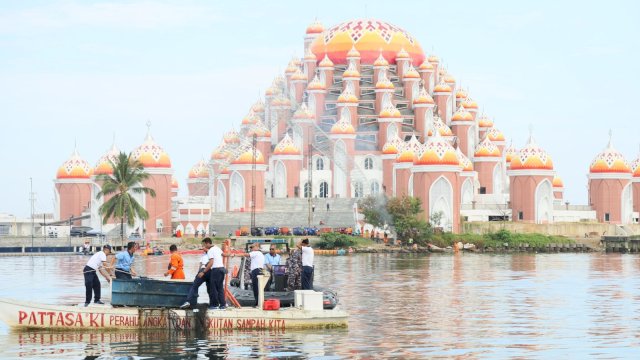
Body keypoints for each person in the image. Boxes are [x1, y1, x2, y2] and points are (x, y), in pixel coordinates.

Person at [180, 239, 213, 309]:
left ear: (207, 244)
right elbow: (200, 264)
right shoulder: (204, 254)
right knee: (208, 288)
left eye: (203, 244)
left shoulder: (212, 251)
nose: (202, 246)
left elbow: (209, 259)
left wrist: (202, 272)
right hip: (206, 271)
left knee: (195, 286)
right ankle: (212, 304)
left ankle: (188, 301)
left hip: (207, 270)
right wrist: (198, 272)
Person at [204, 238, 228, 310]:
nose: (204, 246)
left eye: (204, 244)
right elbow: (224, 254)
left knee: (213, 288)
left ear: (208, 243)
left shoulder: (210, 251)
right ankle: (223, 305)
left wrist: (204, 271)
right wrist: (231, 254)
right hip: (222, 269)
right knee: (220, 288)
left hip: (216, 270)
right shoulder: (217, 248)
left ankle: (215, 305)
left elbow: (211, 263)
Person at [248, 242, 265, 306]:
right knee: (259, 287)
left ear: (257, 247)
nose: (252, 249)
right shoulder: (260, 254)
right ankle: (259, 302)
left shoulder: (256, 252)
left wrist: (235, 254)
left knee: (256, 287)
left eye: (253, 247)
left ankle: (257, 302)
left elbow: (246, 254)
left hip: (256, 271)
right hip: (260, 270)